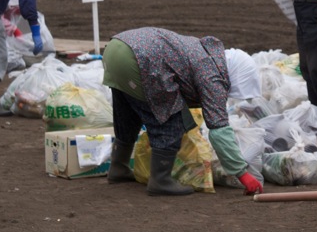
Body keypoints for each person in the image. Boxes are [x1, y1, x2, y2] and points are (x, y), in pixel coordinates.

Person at [102, 27, 264, 196]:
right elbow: (219, 128)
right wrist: (242, 174)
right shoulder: (213, 75)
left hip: (116, 48)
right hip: (140, 58)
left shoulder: (206, 53)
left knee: (128, 114)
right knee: (170, 118)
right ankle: (160, 180)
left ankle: (118, 168)